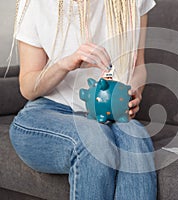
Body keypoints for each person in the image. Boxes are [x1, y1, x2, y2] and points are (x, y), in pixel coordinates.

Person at [9, 0, 157, 199]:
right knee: (93, 139)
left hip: (104, 114)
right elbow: (28, 88)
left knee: (135, 135)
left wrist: (134, 91)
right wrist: (65, 65)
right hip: (47, 112)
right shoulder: (36, 4)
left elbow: (138, 65)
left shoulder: (130, 2)